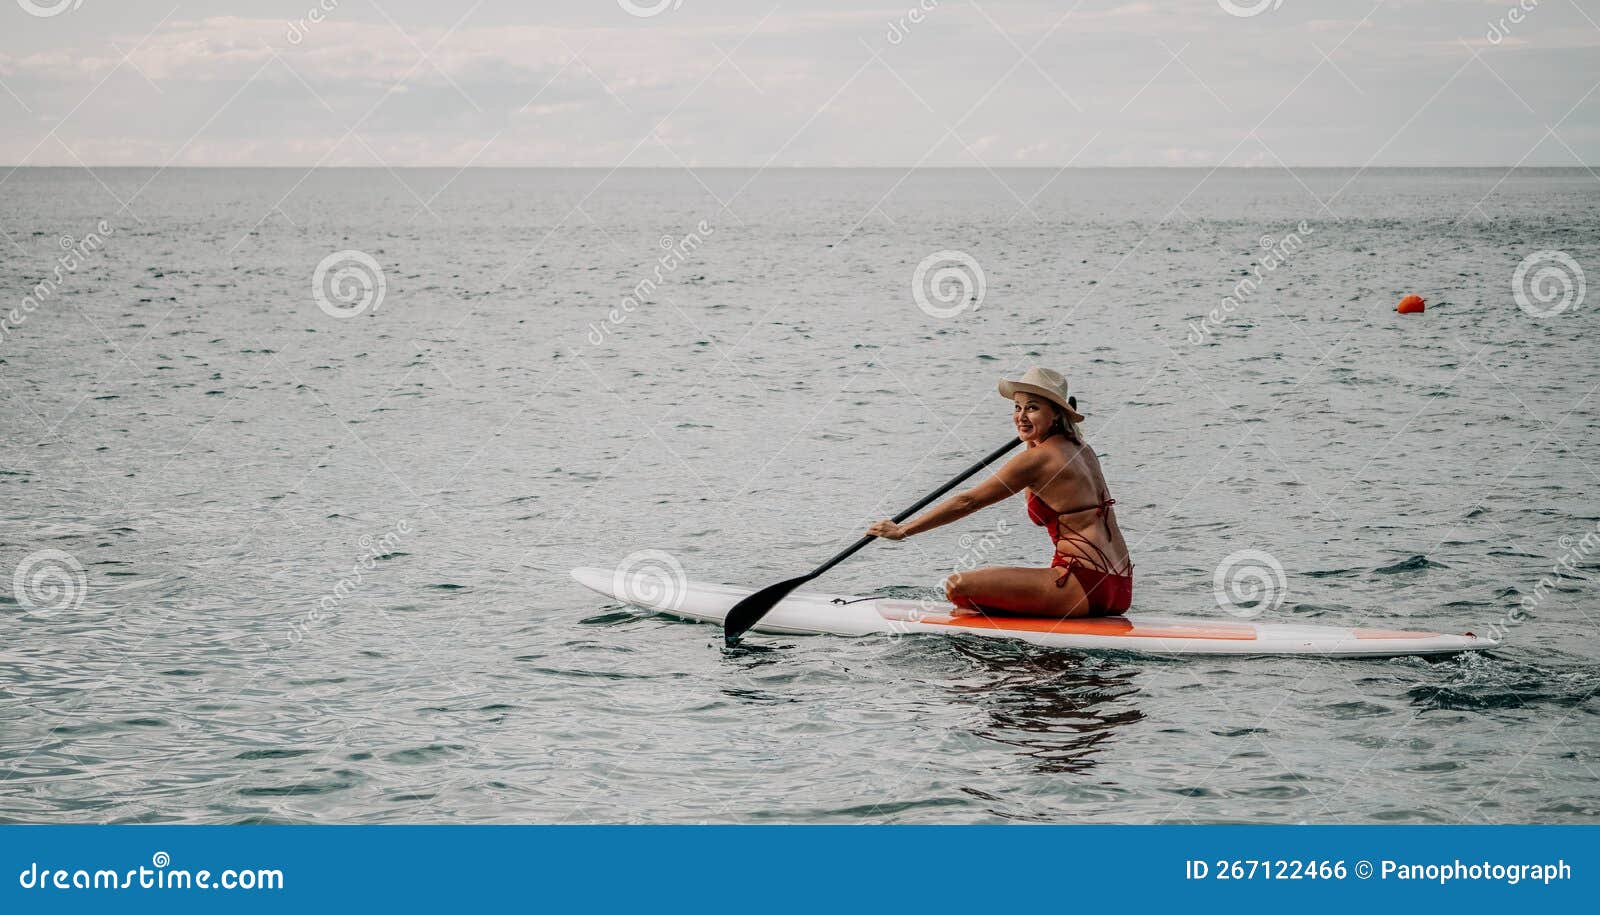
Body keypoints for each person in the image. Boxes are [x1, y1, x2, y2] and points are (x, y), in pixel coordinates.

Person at [866, 367, 1133, 617]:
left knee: (956, 587)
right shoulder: (1081, 449)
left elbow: (968, 502)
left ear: (1056, 414)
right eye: (1017, 408)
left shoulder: (1036, 460)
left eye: (1033, 408)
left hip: (1080, 584)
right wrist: (1031, 439)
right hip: (1119, 587)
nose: (1021, 416)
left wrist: (903, 531)